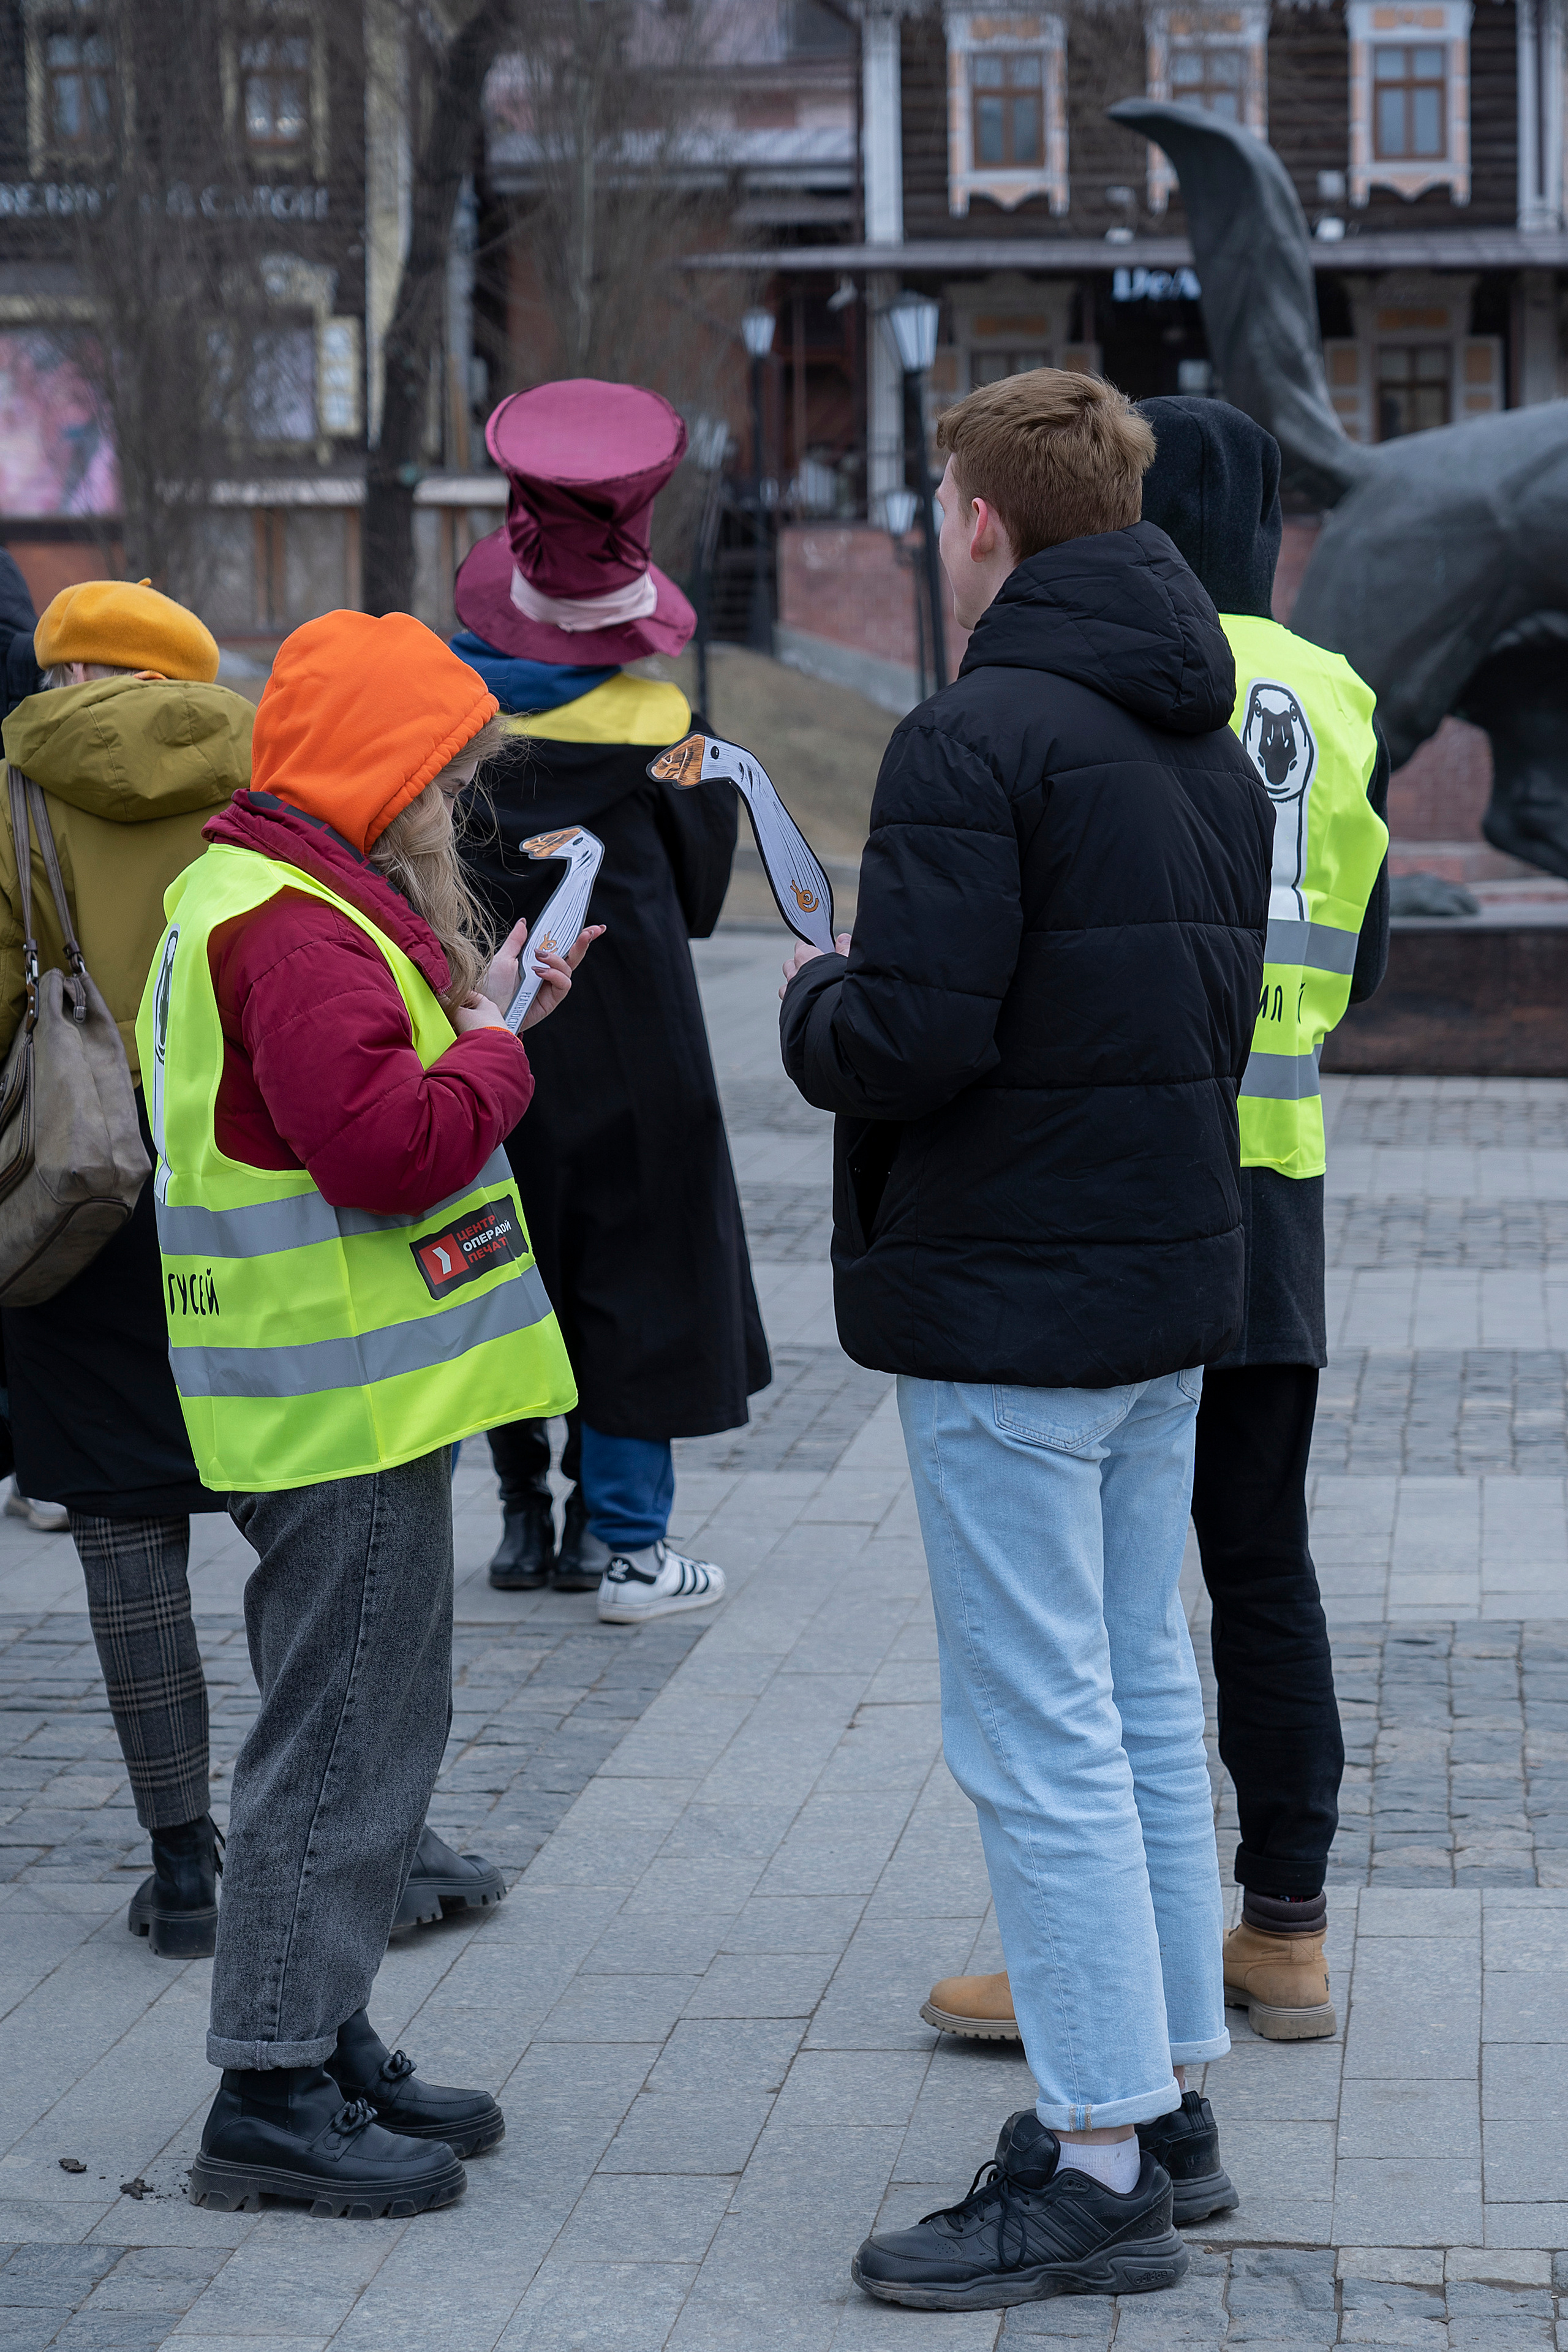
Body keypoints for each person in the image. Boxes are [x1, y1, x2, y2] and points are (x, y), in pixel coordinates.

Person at [780, 370, 1272, 2310]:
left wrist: (818, 997)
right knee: (1142, 1699)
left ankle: (1091, 2160)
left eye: (939, 502)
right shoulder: (1206, 746)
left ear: (980, 519)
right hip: (1159, 1283)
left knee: (1042, 1726)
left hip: (1009, 1298)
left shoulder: (972, 738)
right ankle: (1166, 2100)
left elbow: (910, 1036)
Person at [921, 397, 1388, 2052]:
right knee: (1257, 1561)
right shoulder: (1326, 696)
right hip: (1274, 1183)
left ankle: (1101, 1982)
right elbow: (1366, 961)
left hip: (1114, 1181)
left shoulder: (1081, 688)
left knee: (1088, 1627)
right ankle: (1284, 1929)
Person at [135, 609, 591, 2216]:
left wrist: (474, 1015)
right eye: (437, 775)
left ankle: (323, 2036)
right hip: (336, 1406)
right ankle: (269, 2083)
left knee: (362, 1723)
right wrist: (499, 1048)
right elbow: (389, 1147)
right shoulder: (299, 924)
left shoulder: (266, 890)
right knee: (337, 1737)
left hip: (330, 1396)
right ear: (373, 771)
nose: (449, 807)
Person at [453, 378, 769, 1620]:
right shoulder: (666, 730)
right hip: (634, 1043)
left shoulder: (452, 730)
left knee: (503, 1259)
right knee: (635, 1273)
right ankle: (620, 1531)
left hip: (489, 1038)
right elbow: (697, 893)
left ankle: (523, 1520)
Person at [0, 579, 252, 1954]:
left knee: (121, 1532)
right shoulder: (258, 782)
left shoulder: (11, 797)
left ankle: (185, 1866)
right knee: (308, 1520)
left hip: (84, 1199)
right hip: (256, 1194)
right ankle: (343, 1822)